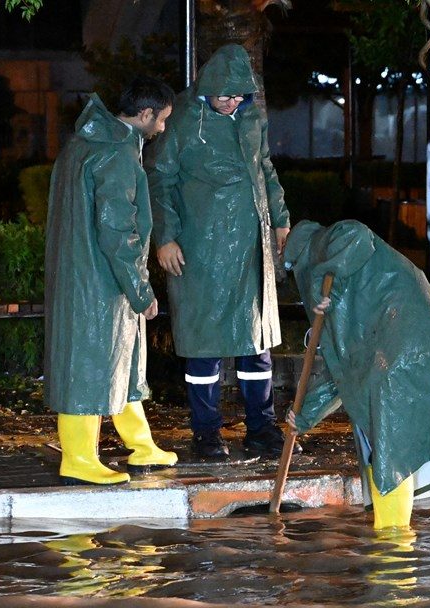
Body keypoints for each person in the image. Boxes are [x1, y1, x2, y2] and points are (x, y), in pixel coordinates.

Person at [283, 220, 430, 529]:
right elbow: (341, 369)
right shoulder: (335, 300)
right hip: (395, 348)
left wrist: (328, 283)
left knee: (388, 442)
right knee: (380, 441)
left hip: (401, 345)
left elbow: (358, 237)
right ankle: (391, 533)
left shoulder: (335, 238)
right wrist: (305, 415)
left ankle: (393, 537)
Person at [147, 44, 294, 460]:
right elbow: (159, 178)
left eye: (238, 94)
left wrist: (280, 218)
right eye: (224, 94)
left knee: (256, 342)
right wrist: (166, 237)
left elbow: (265, 167)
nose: (231, 101)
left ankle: (261, 429)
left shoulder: (251, 118)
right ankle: (206, 432)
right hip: (201, 248)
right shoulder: (182, 120)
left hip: (251, 246)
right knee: (202, 346)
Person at [43, 76, 178, 485]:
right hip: (100, 282)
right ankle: (79, 458)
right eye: (161, 120)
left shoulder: (84, 145)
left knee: (122, 361)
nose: (162, 128)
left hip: (85, 275)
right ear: (144, 114)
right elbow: (118, 231)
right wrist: (140, 289)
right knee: (90, 366)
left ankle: (142, 445)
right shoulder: (116, 155)